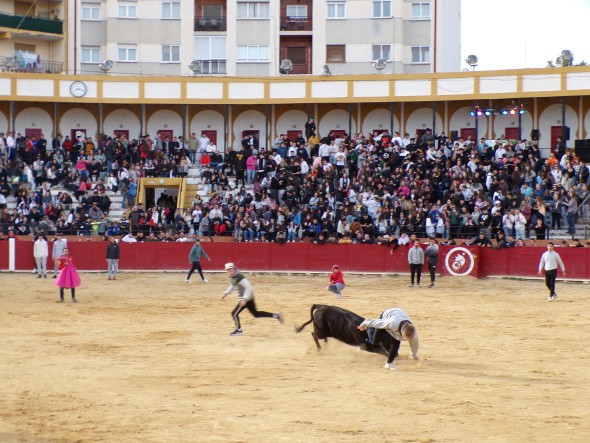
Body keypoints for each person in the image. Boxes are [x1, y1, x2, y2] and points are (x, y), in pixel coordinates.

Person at [220, 262, 284, 336]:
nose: (228, 271)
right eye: (227, 270)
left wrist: (244, 299)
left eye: (230, 269)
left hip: (246, 299)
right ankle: (276, 315)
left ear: (234, 269)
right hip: (249, 298)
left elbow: (248, 287)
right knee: (256, 314)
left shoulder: (239, 278)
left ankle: (239, 330)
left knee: (234, 314)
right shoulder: (234, 277)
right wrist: (225, 294)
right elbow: (232, 286)